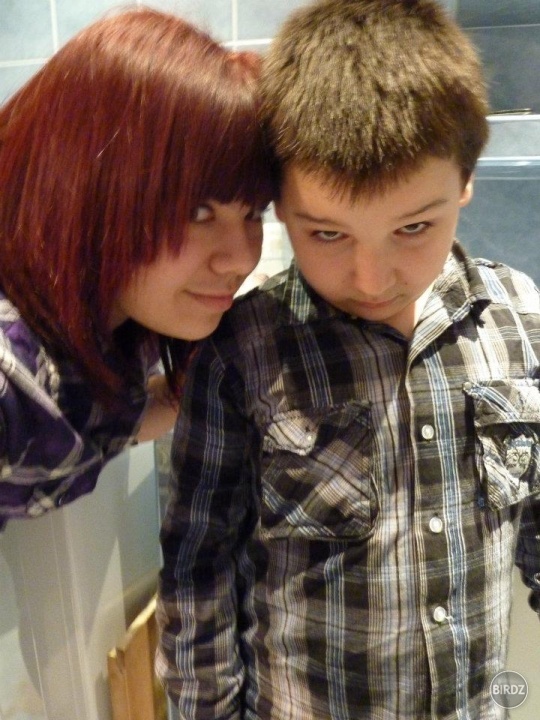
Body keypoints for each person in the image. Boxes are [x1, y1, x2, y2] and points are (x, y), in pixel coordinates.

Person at [157, 0, 540, 718]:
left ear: (465, 181)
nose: (371, 278)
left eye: (413, 227)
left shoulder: (521, 319)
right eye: (327, 234)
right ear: (280, 206)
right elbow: (197, 574)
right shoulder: (244, 348)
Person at [0, 7, 275, 528]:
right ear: (86, 186)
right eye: (198, 211)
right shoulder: (11, 370)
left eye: (254, 212)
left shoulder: (113, 313)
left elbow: (104, 424)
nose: (242, 257)